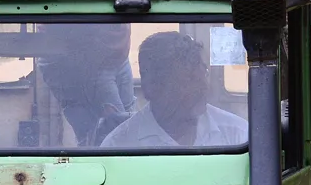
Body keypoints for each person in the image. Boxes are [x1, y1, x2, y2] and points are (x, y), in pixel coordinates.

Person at [101, 31, 248, 148]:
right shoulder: (118, 145)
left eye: (203, 75)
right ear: (151, 87)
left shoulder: (239, 136)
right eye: (188, 80)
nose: (202, 88)